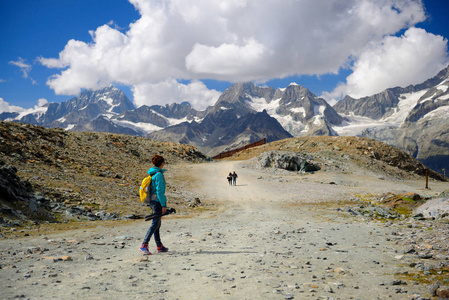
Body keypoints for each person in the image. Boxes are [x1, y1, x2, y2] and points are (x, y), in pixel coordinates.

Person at [139, 154, 169, 255]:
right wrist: (163, 205)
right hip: (157, 202)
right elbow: (160, 191)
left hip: (152, 201)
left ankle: (159, 245)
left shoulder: (152, 174)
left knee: (157, 224)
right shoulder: (159, 175)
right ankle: (144, 245)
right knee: (155, 224)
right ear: (162, 163)